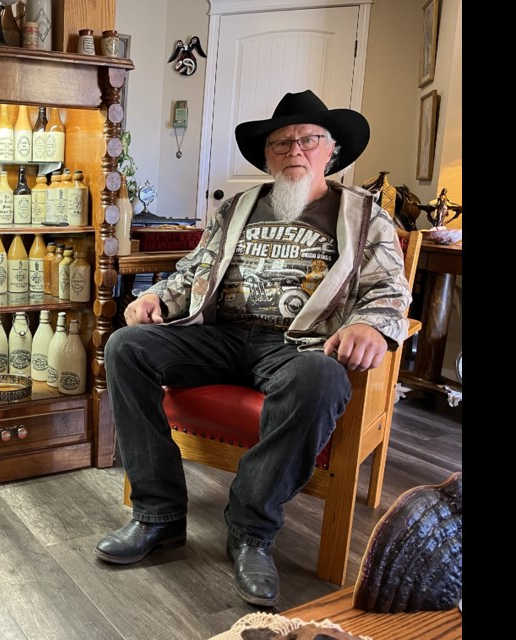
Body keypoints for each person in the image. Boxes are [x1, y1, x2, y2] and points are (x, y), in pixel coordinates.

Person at [95, 90, 411, 607]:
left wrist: (373, 328)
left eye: (309, 140)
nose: (295, 151)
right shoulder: (238, 207)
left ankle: (250, 531)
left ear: (330, 151)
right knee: (127, 346)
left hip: (300, 345)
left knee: (322, 379)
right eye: (281, 142)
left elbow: (389, 290)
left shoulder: (363, 214)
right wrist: (156, 297)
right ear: (266, 156)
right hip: (222, 334)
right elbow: (195, 270)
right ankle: (159, 515)